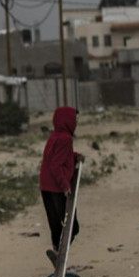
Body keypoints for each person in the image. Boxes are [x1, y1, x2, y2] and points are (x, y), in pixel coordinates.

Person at [39, 106, 85, 267]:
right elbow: (57, 165)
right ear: (67, 121)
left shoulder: (55, 137)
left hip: (45, 187)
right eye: (75, 119)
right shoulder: (65, 139)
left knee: (56, 225)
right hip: (57, 188)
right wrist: (65, 185)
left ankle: (57, 253)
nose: (76, 123)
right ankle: (59, 254)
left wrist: (74, 157)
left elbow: (56, 157)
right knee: (73, 226)